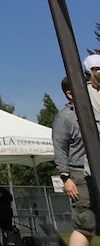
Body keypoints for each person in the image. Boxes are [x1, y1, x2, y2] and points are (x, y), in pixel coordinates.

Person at [53, 78, 96, 246]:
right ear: (70, 94)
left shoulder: (93, 112)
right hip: (79, 175)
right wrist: (66, 178)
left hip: (96, 169)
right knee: (85, 222)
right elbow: (60, 149)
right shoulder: (65, 117)